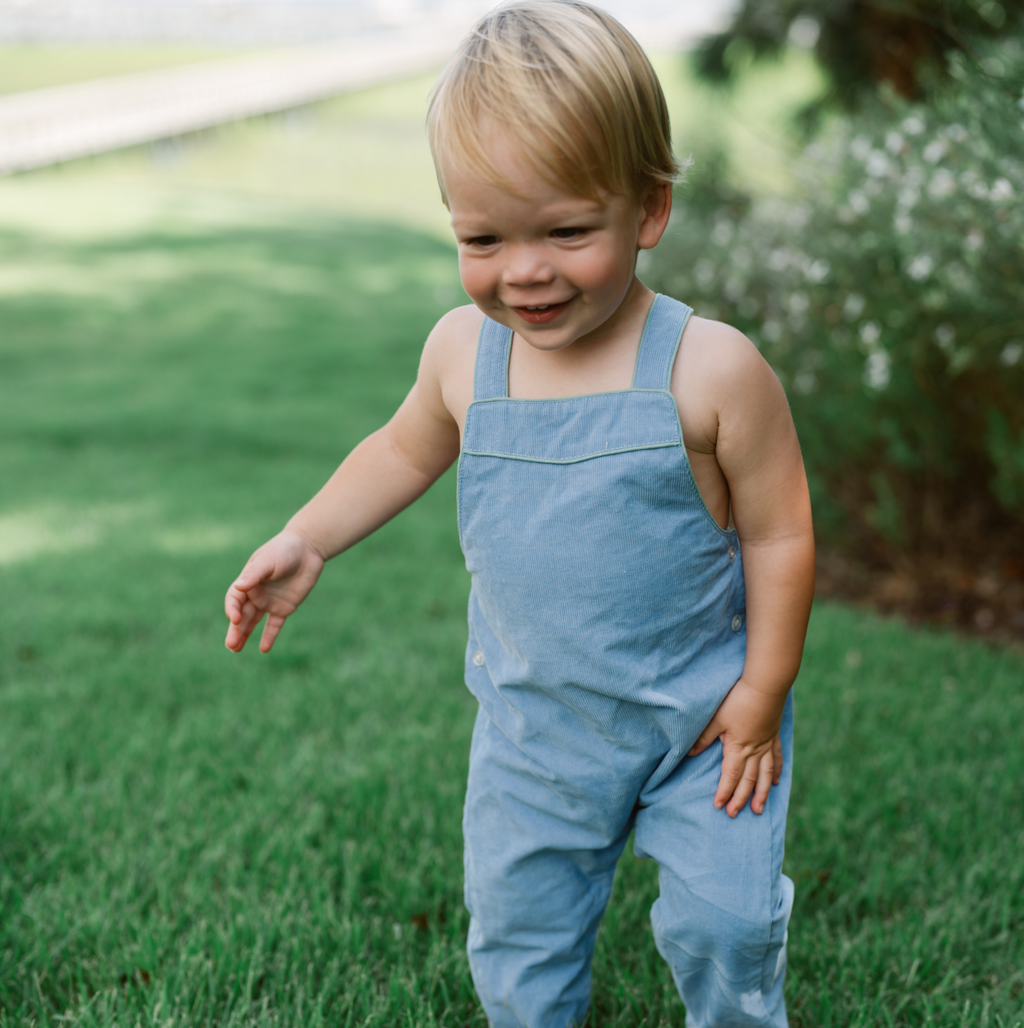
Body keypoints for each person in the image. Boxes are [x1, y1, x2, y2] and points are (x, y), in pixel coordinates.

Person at [224, 2, 816, 1024]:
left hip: (704, 726)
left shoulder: (709, 367)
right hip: (536, 730)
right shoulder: (463, 352)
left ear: (648, 210)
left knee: (723, 923)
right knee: (520, 935)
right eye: (482, 237)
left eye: (566, 230)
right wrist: (307, 533)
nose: (524, 270)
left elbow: (780, 532)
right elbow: (403, 447)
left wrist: (763, 686)